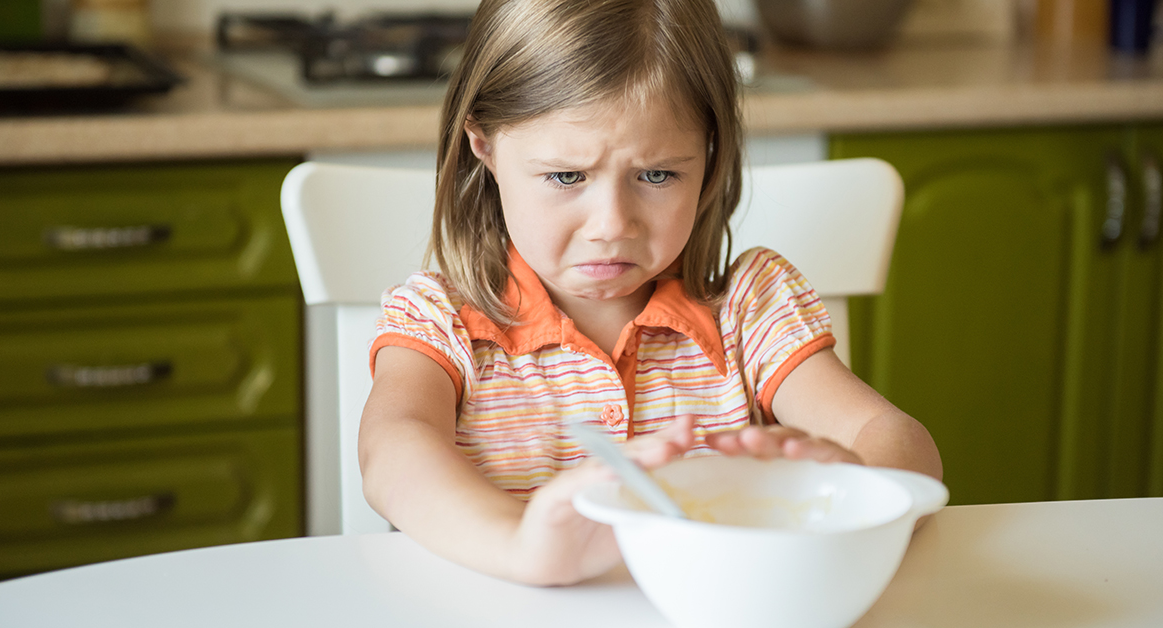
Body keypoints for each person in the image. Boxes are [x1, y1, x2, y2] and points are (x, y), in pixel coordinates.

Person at [359, 0, 942, 587]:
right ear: (482, 145)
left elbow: (894, 439)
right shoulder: (442, 320)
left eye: (657, 175)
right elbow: (393, 451)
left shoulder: (749, 309)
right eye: (567, 177)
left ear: (710, 153)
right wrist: (521, 545)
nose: (613, 224)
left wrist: (858, 494)